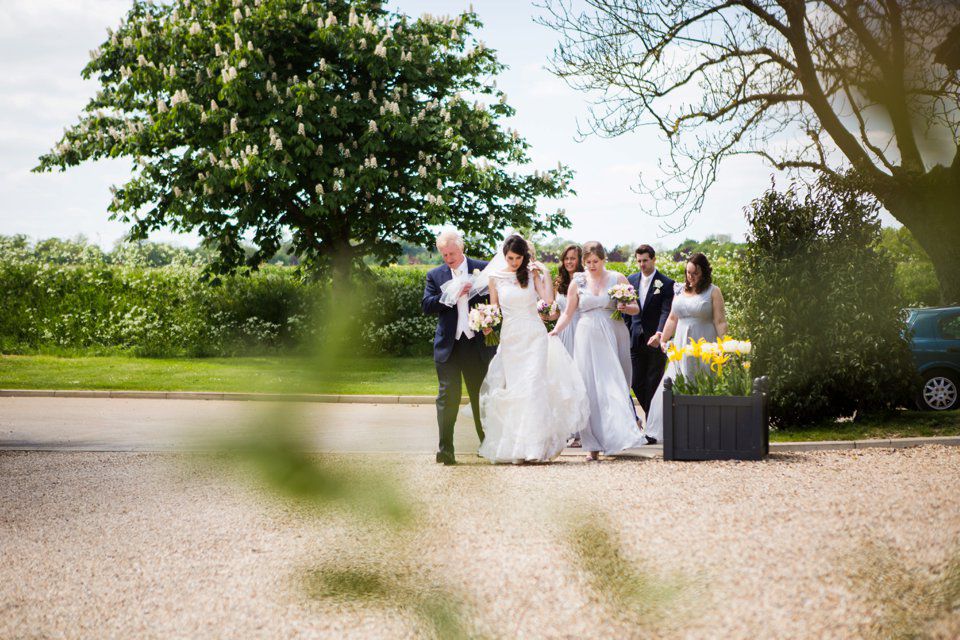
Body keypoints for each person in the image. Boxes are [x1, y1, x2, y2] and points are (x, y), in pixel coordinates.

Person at [478, 235, 589, 464]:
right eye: (511, 258)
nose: (515, 262)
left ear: (524, 257)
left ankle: (535, 446)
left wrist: (545, 273)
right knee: (516, 390)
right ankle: (517, 445)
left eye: (518, 258)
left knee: (533, 386)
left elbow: (547, 300)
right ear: (504, 255)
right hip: (511, 338)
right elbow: (494, 309)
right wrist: (487, 324)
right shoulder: (495, 278)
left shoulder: (531, 274)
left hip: (534, 336)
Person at [550, 241, 644, 460]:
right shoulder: (578, 282)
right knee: (589, 388)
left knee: (612, 385)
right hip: (586, 336)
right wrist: (555, 330)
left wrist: (625, 307)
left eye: (596, 261)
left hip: (613, 333)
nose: (592, 266)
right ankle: (592, 446)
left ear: (603, 260)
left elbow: (635, 308)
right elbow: (568, 313)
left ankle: (615, 438)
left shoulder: (617, 279)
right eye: (588, 262)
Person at [422, 229, 495, 465]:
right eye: (444, 255)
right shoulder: (435, 275)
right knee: (447, 397)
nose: (448, 258)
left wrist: (490, 321)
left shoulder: (483, 268)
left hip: (477, 345)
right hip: (448, 347)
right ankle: (446, 449)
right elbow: (427, 305)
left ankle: (488, 445)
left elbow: (496, 301)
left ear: (461, 248)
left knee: (481, 397)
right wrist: (450, 295)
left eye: (451, 253)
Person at [643, 252, 729, 443]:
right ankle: (674, 429)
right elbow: (672, 318)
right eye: (688, 273)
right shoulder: (679, 290)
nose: (691, 277)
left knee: (702, 381)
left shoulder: (713, 291)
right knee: (675, 381)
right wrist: (663, 338)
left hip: (704, 342)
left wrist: (724, 345)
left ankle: (704, 428)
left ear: (704, 272)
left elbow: (720, 321)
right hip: (681, 344)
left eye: (695, 273)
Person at [624, 244, 675, 443]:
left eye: (645, 260)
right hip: (635, 340)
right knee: (636, 382)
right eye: (639, 261)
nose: (642, 264)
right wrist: (627, 331)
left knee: (653, 383)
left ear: (653, 259)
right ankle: (655, 421)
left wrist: (660, 334)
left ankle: (652, 429)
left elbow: (666, 311)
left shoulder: (666, 283)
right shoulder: (630, 280)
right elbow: (626, 310)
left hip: (656, 341)